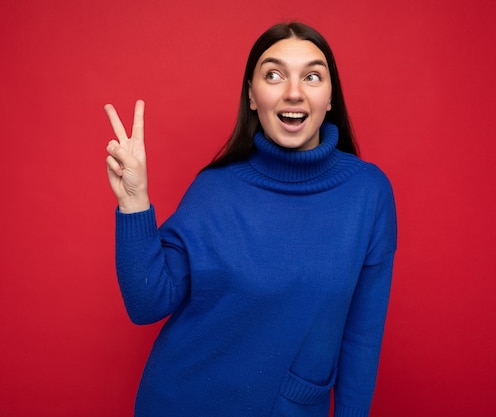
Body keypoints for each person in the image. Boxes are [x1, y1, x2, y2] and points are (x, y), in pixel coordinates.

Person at [105, 22, 397, 417]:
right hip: (182, 400)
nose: (293, 92)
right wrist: (134, 202)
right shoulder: (215, 188)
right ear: (252, 96)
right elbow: (147, 303)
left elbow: (362, 334)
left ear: (330, 98)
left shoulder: (367, 192)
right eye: (273, 75)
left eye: (312, 76)